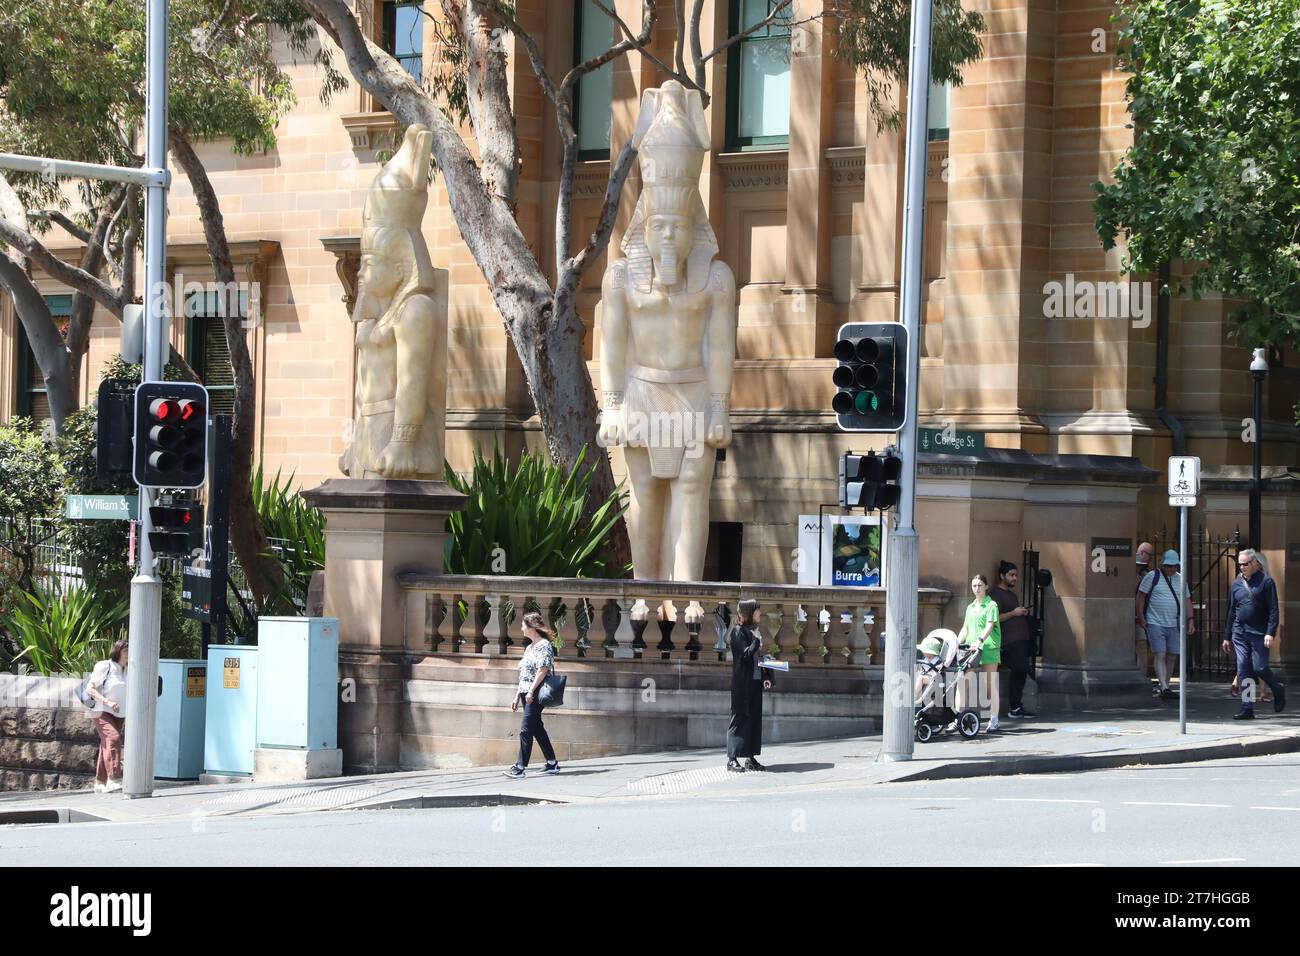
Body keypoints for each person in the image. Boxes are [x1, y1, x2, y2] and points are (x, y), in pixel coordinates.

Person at [1224, 548, 1286, 719]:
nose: (1242, 567)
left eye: (1245, 564)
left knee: (1259, 667)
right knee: (1243, 669)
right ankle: (1247, 707)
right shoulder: (1236, 584)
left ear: (1255, 564)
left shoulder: (1266, 582)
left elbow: (1273, 609)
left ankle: (1277, 688)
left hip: (1259, 633)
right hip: (1240, 632)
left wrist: (1270, 632)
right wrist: (1227, 636)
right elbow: (1231, 610)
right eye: (1240, 565)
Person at [503, 612, 561, 778]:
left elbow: (542, 670)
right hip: (525, 692)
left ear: (531, 627)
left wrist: (530, 691)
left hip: (535, 693)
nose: (521, 628)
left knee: (526, 730)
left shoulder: (544, 645)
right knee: (537, 729)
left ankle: (520, 767)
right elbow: (524, 675)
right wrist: (516, 696)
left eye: (523, 625)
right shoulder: (529, 647)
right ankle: (552, 763)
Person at [1137, 549, 1194, 700]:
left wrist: (1191, 620)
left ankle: (1165, 686)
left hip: (1173, 623)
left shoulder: (1181, 579)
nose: (1172, 569)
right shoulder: (1152, 576)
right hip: (1155, 621)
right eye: (1169, 566)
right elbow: (1141, 596)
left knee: (1172, 656)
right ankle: (1164, 686)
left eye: (1175, 566)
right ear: (1163, 565)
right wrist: (1142, 617)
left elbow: (1188, 600)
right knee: (1160, 654)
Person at [727, 598, 773, 772]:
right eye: (757, 611)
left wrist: (766, 676)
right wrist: (756, 641)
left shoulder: (752, 632)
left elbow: (756, 659)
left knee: (754, 719)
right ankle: (731, 759)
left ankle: (750, 758)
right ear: (748, 613)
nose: (759, 613)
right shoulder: (738, 632)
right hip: (742, 685)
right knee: (738, 719)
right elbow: (745, 656)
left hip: (754, 683)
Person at [955, 575, 1002, 732]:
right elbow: (965, 628)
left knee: (989, 684)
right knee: (962, 681)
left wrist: (980, 640)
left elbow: (990, 626)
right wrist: (956, 642)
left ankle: (994, 719)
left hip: (988, 648)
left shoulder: (992, 605)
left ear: (986, 587)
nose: (977, 588)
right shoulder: (970, 607)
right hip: (971, 650)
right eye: (974, 585)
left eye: (980, 585)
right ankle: (958, 717)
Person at [990, 561, 1035, 718]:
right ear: (1002, 576)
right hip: (1009, 642)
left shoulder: (1012, 595)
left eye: (1016, 575)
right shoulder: (996, 594)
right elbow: (994, 618)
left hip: (1020, 640)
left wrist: (1021, 613)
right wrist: (1014, 613)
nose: (1015, 578)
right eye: (1011, 575)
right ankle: (1014, 707)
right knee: (1020, 669)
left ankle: (1016, 706)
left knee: (1022, 669)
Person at [86, 639, 128, 794]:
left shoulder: (129, 670)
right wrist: (108, 702)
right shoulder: (105, 666)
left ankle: (100, 781)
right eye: (125, 651)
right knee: (113, 738)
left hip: (120, 712)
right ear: (117, 652)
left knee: (107, 744)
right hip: (101, 710)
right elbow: (90, 689)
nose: (128, 655)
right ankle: (114, 778)